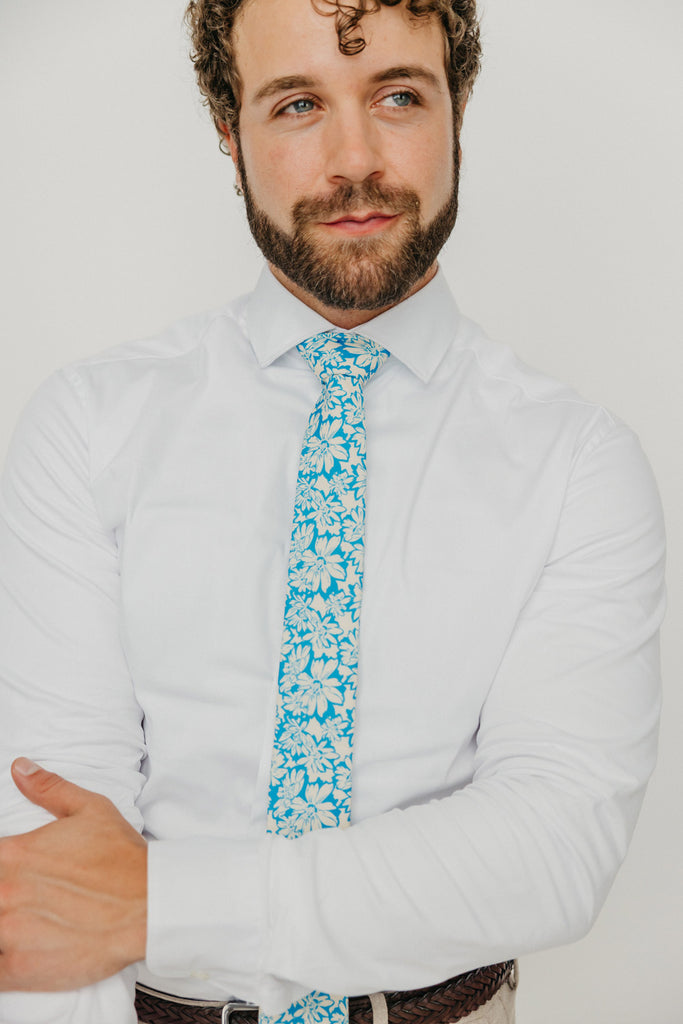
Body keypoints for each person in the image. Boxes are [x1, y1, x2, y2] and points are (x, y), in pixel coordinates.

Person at [0, 0, 666, 1022]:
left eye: (397, 95)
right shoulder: (89, 426)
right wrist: (119, 912)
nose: (353, 158)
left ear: (458, 108)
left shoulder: (579, 462)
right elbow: (59, 853)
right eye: (297, 104)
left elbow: (551, 847)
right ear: (229, 132)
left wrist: (162, 899)